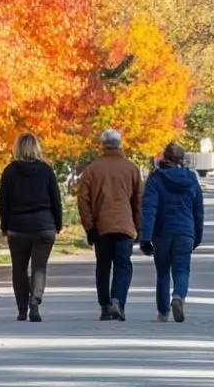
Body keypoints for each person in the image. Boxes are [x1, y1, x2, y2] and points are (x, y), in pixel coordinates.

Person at [77, 128, 143, 321]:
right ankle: (118, 300)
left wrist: (89, 226)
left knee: (103, 266)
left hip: (101, 226)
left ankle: (105, 305)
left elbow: (83, 200)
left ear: (102, 146)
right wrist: (139, 227)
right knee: (123, 265)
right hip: (124, 225)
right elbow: (139, 201)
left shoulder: (92, 170)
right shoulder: (131, 169)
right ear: (120, 145)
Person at [0, 133, 63, 323]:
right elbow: (55, 200)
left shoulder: (10, 171)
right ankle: (35, 301)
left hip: (17, 227)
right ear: (37, 148)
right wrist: (57, 223)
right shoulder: (46, 171)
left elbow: (3, 202)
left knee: (19, 268)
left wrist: (5, 226)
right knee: (39, 266)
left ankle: (21, 308)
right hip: (44, 226)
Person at [139, 143, 204, 323]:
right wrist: (198, 235)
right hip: (186, 231)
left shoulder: (156, 179)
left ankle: (163, 311)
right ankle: (178, 296)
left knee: (162, 272)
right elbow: (198, 211)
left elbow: (149, 208)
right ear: (182, 159)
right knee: (182, 269)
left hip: (162, 232)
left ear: (163, 157)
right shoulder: (192, 180)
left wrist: (145, 237)